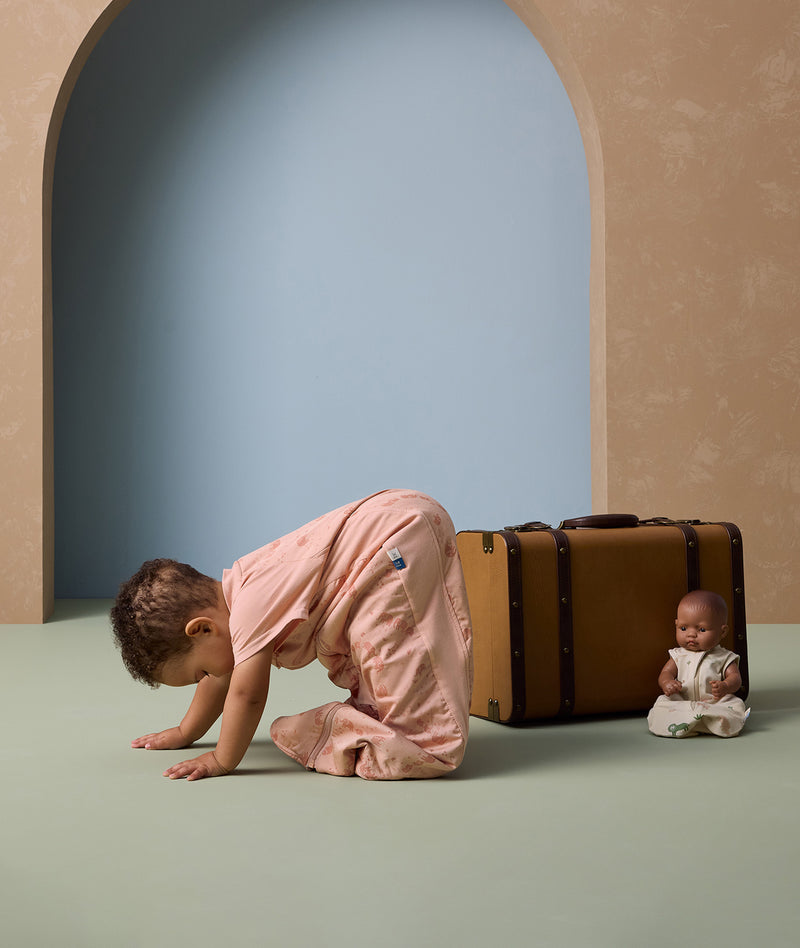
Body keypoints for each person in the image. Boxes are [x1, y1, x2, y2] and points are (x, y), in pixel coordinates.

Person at [111, 489, 473, 780]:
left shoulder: (249, 607)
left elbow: (245, 693)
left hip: (394, 540)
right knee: (385, 660)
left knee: (421, 736)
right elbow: (222, 680)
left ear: (203, 628)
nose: (210, 678)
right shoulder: (242, 591)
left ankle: (410, 732)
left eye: (200, 672)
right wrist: (185, 732)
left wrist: (222, 759)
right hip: (398, 521)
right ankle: (388, 719)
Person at [647, 589, 747, 738]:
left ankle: (699, 721)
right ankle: (701, 722)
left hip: (714, 703)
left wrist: (725, 686)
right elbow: (666, 673)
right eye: (683, 628)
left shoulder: (724, 657)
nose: (691, 634)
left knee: (736, 706)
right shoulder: (678, 655)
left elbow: (735, 678)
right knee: (661, 706)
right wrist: (666, 683)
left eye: (701, 629)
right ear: (676, 625)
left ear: (723, 632)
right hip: (682, 702)